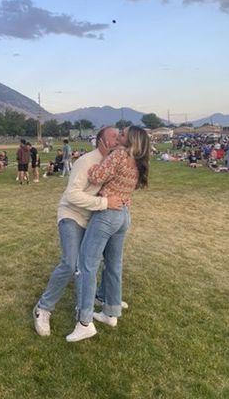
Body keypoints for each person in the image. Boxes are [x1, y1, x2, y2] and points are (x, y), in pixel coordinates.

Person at [33, 127, 125, 336]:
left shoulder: (113, 162)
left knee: (97, 263)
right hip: (72, 215)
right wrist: (105, 203)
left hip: (94, 219)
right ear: (101, 141)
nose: (118, 139)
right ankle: (43, 308)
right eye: (113, 136)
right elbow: (72, 195)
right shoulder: (86, 161)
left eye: (120, 135)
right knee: (71, 262)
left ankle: (97, 301)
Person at [66, 126, 151, 342]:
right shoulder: (137, 160)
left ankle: (84, 322)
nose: (118, 136)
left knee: (87, 265)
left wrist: (97, 164)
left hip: (107, 214)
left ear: (130, 139)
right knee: (114, 264)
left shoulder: (119, 155)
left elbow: (97, 177)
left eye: (122, 134)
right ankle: (111, 312)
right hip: (124, 214)